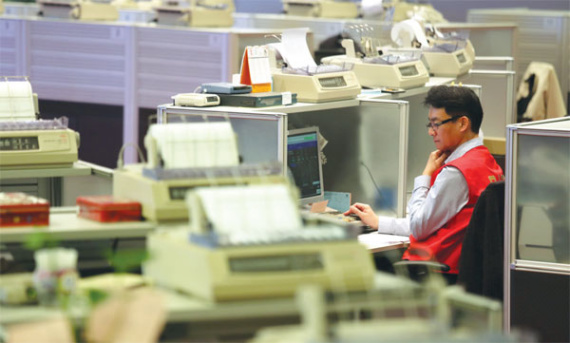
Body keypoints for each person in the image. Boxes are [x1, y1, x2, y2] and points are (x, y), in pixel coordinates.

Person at [345, 85, 504, 284]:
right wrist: (380, 222)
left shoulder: (456, 173)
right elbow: (428, 223)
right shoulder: (487, 162)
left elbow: (419, 226)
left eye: (436, 124)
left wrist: (425, 175)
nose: (431, 132)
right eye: (429, 124)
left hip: (438, 275)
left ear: (463, 123)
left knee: (366, 270)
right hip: (463, 272)